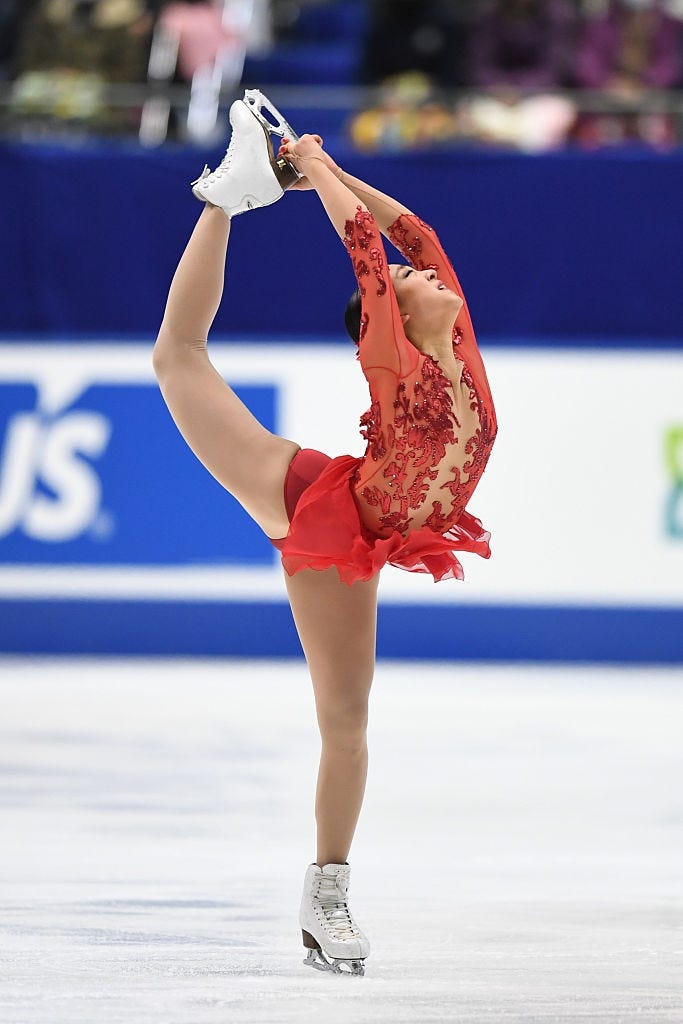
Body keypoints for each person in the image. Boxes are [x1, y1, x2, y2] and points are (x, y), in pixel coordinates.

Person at [153, 90, 498, 976]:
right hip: (324, 513)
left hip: (383, 528)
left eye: (424, 278)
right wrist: (307, 167)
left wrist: (331, 168)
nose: (427, 276)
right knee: (177, 358)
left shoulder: (456, 340)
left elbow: (410, 232)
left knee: (350, 723)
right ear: (391, 315)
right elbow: (369, 251)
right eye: (412, 283)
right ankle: (220, 200)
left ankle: (322, 895)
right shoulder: (394, 354)